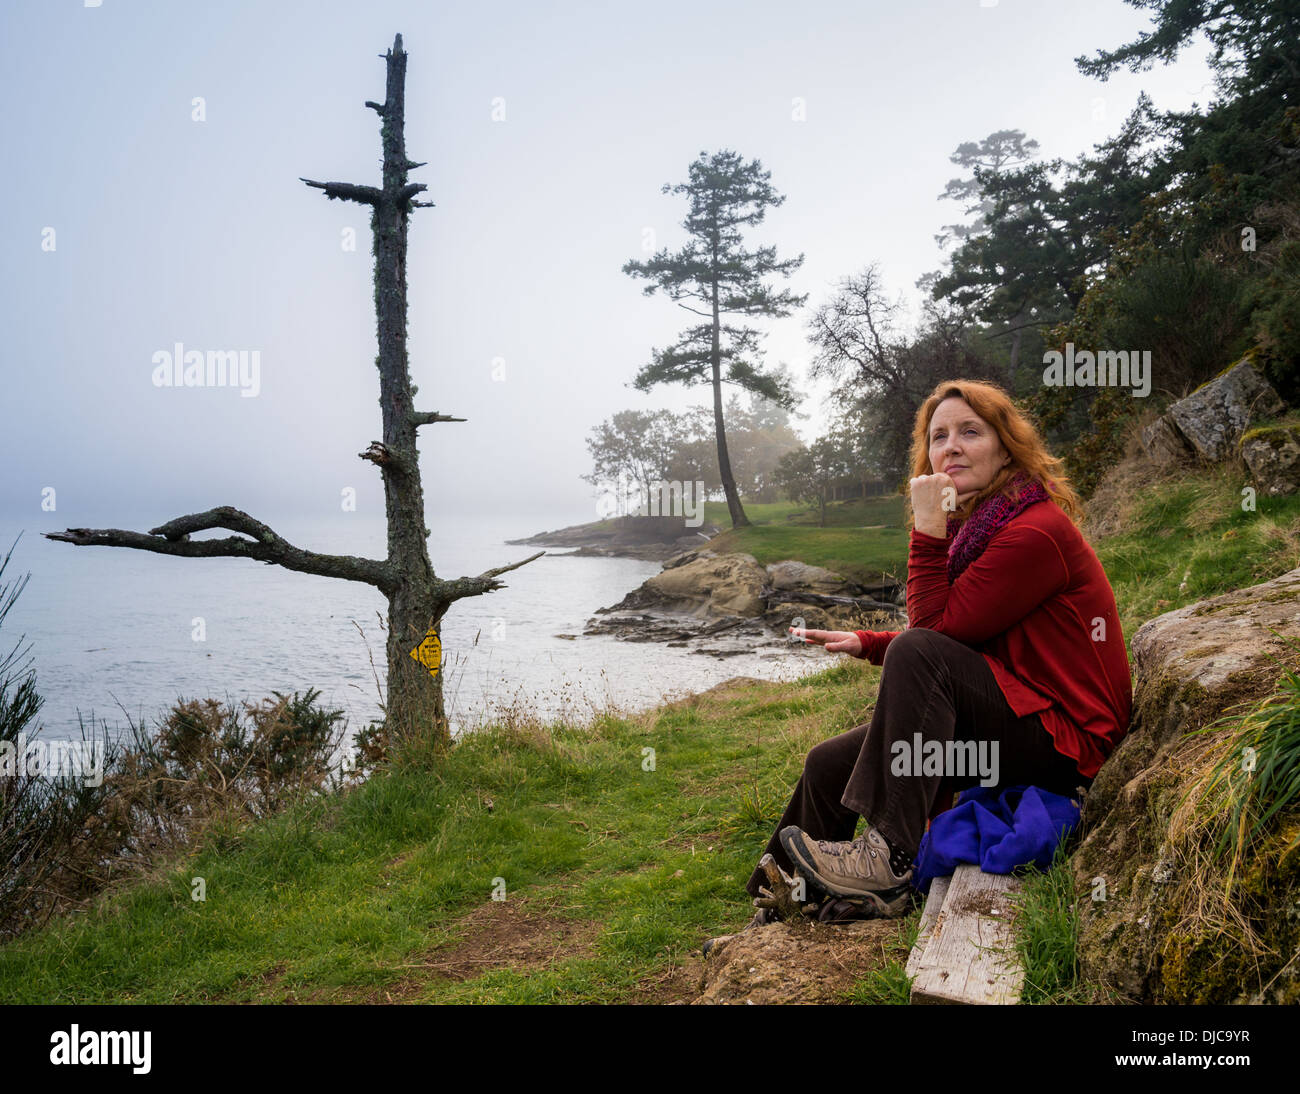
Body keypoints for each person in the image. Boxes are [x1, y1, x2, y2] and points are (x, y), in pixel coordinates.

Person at [745, 378, 1133, 918]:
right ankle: (785, 902)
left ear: (1005, 447)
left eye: (970, 432)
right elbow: (966, 628)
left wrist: (927, 526)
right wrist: (871, 641)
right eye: (938, 435)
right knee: (827, 763)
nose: (950, 446)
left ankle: (890, 860)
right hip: (1016, 711)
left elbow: (936, 637)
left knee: (919, 652)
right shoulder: (983, 526)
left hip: (1066, 744)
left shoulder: (1034, 532)